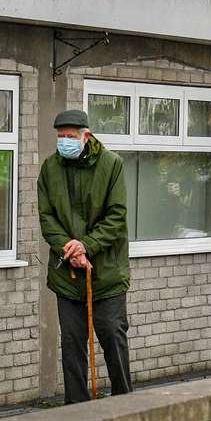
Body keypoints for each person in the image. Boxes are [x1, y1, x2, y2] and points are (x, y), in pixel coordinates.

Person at [38, 108, 131, 403]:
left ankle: (124, 403)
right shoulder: (50, 168)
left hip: (106, 273)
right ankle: (75, 412)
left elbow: (116, 217)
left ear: (85, 136)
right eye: (60, 137)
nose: (64, 141)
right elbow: (46, 216)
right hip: (67, 274)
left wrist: (86, 245)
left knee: (112, 336)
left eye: (70, 137)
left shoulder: (111, 165)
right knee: (72, 344)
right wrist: (69, 247)